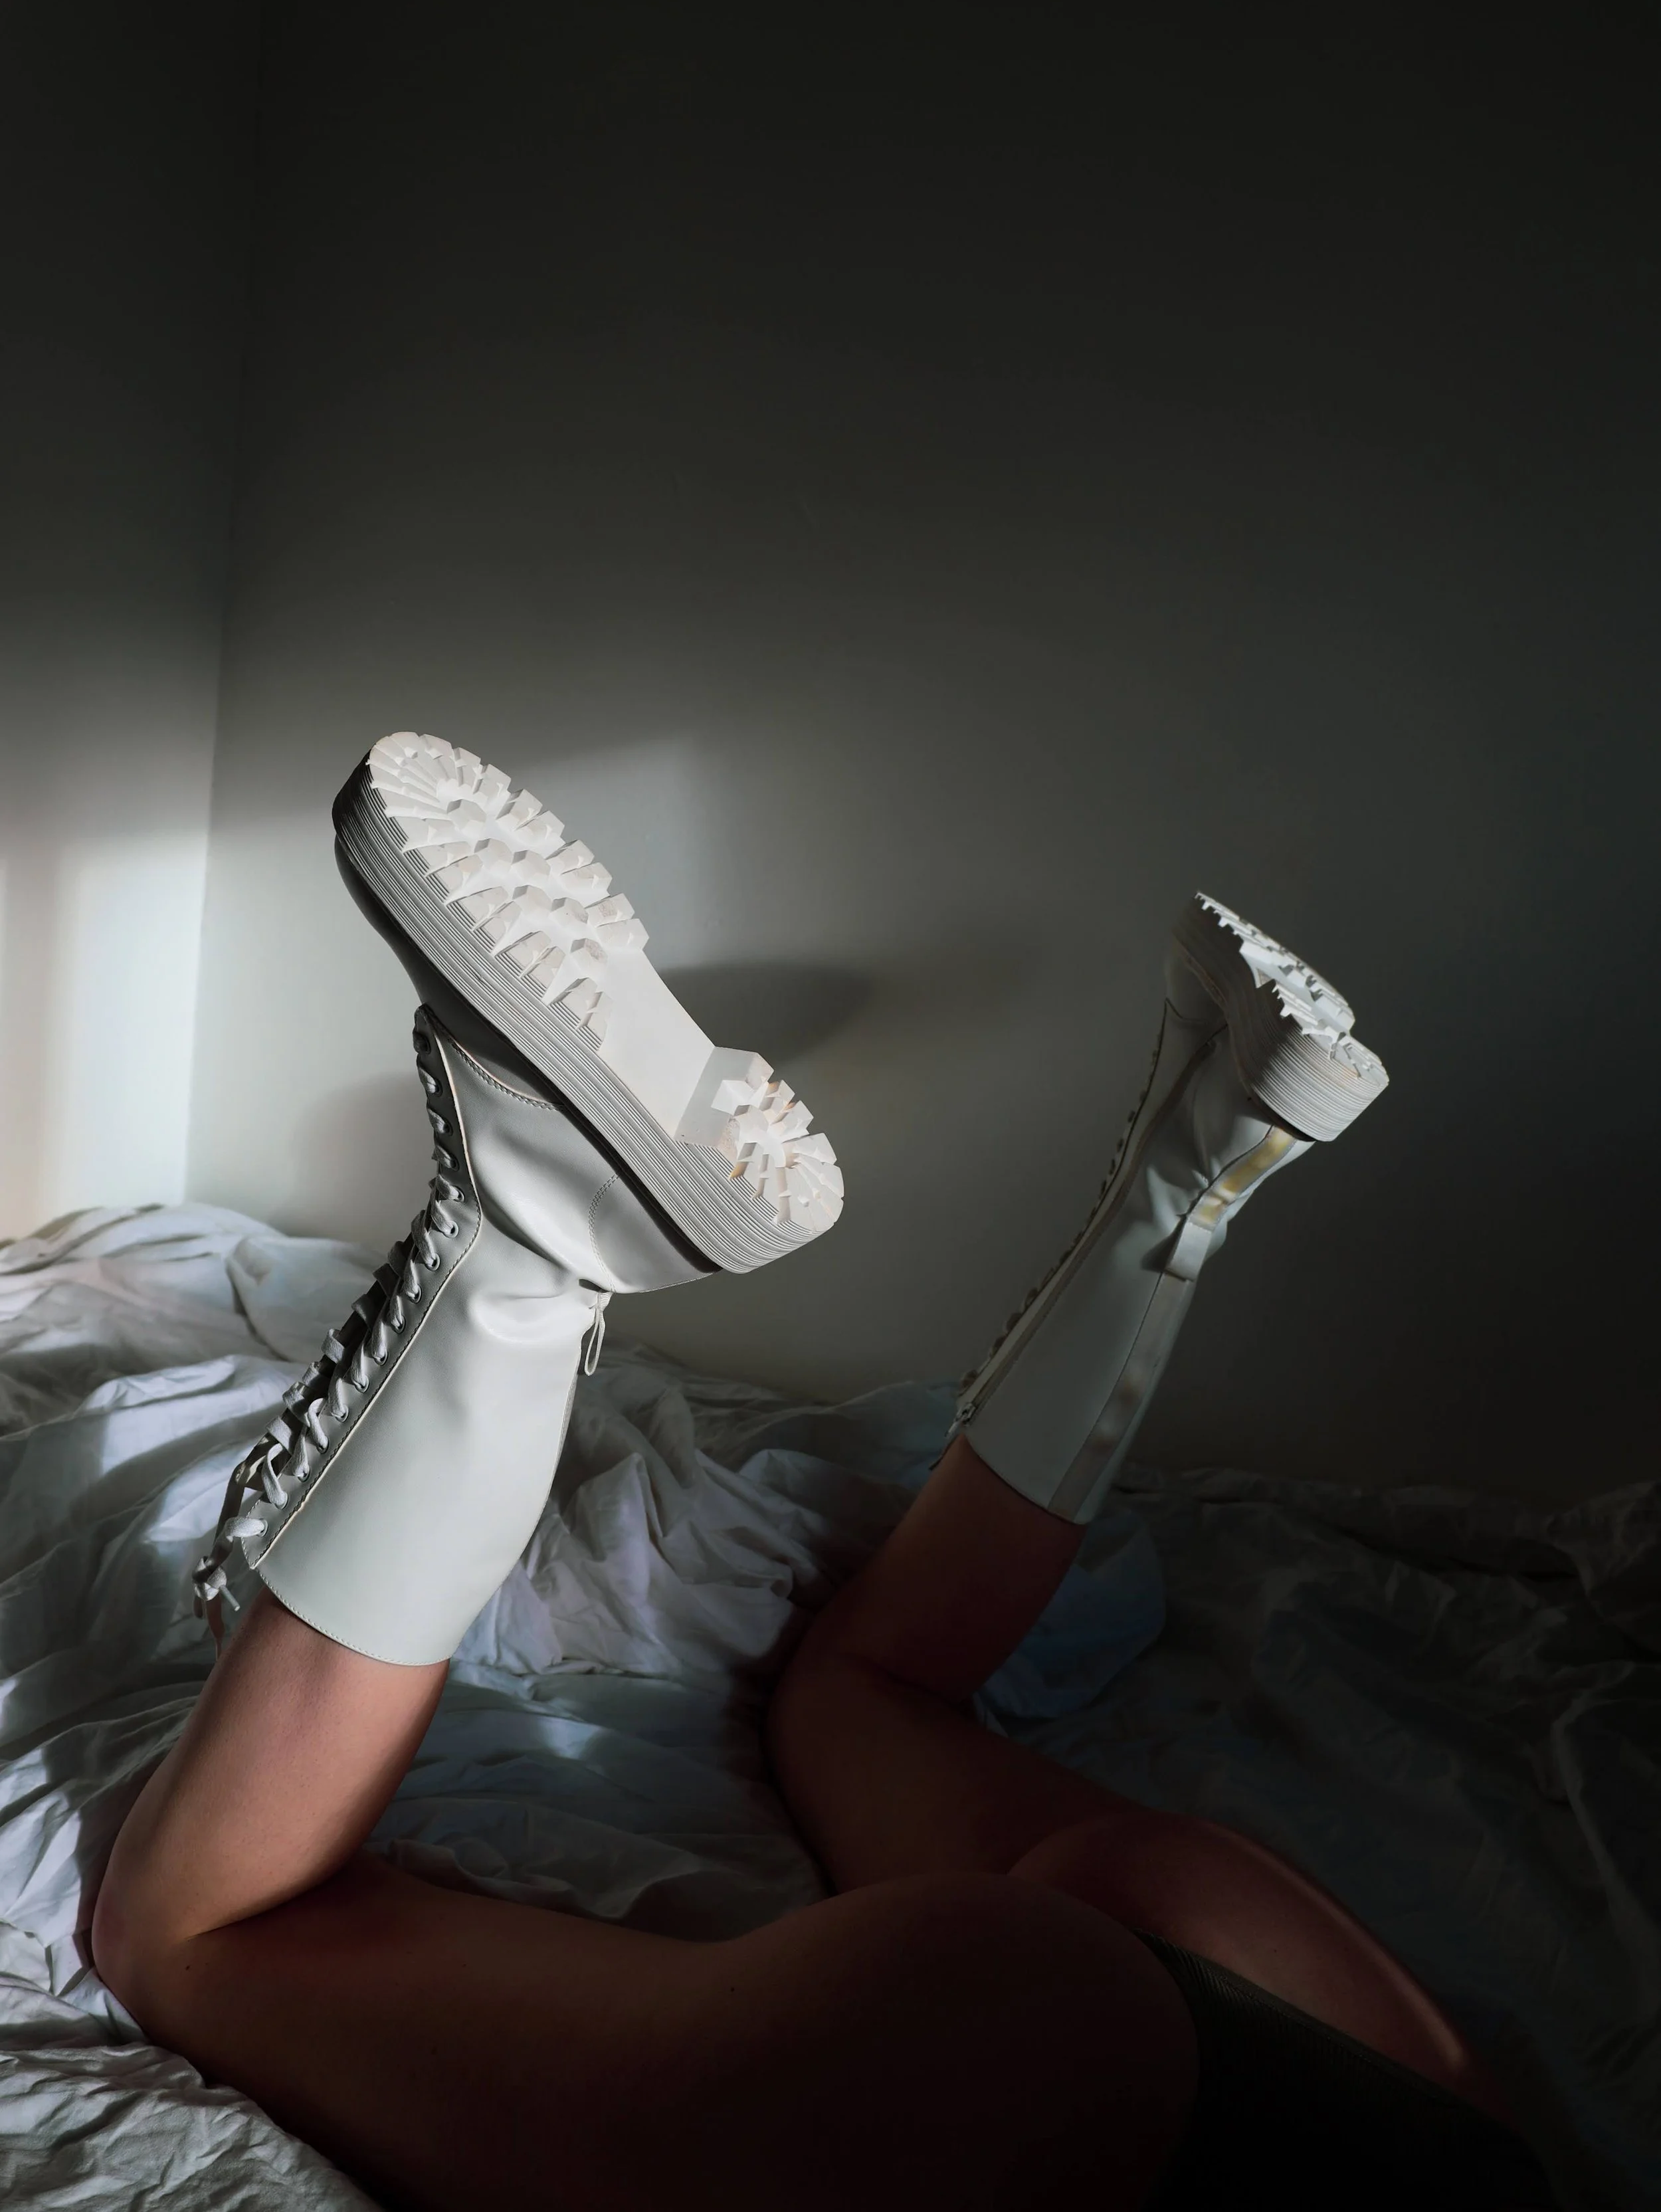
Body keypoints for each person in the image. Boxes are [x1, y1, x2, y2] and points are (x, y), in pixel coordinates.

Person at [90, 732, 1556, 2211]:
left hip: (1370, 2060)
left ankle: (1200, 1155)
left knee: (869, 1689)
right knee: (202, 1933)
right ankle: (536, 1232)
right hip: (1056, 2106)